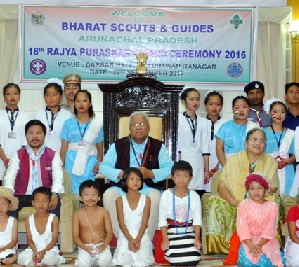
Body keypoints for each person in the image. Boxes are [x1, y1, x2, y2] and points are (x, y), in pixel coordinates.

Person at [204, 128, 279, 254]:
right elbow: (221, 186)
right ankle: (221, 247)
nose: (257, 143)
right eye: (254, 139)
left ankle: (262, 244)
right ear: (246, 142)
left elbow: (273, 187)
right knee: (213, 203)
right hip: (235, 203)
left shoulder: (271, 162)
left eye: (261, 141)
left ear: (265, 145)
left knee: (276, 202)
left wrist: (256, 200)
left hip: (260, 205)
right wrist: (235, 202)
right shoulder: (234, 159)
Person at [100, 111, 173, 240]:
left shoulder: (158, 146)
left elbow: (169, 168)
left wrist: (152, 173)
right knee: (108, 196)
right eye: (135, 124)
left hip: (147, 188)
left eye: (142, 124)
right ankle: (123, 239)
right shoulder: (118, 145)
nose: (138, 127)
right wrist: (120, 174)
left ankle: (146, 241)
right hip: (122, 188)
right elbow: (104, 166)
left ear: (148, 128)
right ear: (129, 128)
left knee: (156, 197)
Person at [4, 120, 64, 218]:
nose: (35, 137)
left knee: (55, 205)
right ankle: (11, 233)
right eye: (31, 133)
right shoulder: (18, 154)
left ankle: (51, 233)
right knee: (9, 208)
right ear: (26, 135)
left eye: (38, 133)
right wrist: (9, 196)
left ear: (44, 135)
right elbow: (10, 176)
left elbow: (58, 177)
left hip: (45, 195)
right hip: (22, 195)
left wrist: (55, 193)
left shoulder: (53, 155)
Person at [159, 160, 201, 266]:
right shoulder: (166, 195)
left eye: (185, 176)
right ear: (172, 177)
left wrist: (197, 239)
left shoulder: (194, 196)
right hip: (171, 232)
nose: (181, 179)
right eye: (178, 175)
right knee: (174, 257)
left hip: (189, 231)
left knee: (194, 256)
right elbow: (162, 220)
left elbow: (197, 221)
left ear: (190, 178)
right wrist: (165, 240)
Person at [60, 90, 103, 194]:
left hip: (90, 161)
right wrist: (61, 165)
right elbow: (64, 146)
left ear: (90, 103)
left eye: (84, 100)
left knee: (88, 191)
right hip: (71, 161)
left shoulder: (97, 124)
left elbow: (100, 146)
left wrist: (99, 163)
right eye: (78, 101)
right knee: (72, 192)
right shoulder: (68, 123)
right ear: (74, 103)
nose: (81, 103)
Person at [237, 173, 284, 267]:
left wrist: (259, 245)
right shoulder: (243, 205)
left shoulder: (272, 206)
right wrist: (251, 246)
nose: (256, 191)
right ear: (247, 191)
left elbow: (270, 229)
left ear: (266, 190)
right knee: (248, 263)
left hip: (266, 241)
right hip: (248, 241)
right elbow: (243, 228)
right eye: (252, 188)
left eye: (259, 188)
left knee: (265, 263)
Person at [112, 167, 154, 266]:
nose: (135, 181)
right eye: (132, 179)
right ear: (125, 181)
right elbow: (121, 223)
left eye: (138, 179)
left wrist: (138, 240)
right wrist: (130, 240)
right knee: (124, 261)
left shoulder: (146, 199)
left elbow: (144, 222)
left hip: (141, 236)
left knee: (142, 262)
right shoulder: (119, 200)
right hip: (126, 235)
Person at [17, 187, 65, 265]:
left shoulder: (54, 218)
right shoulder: (28, 220)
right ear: (32, 203)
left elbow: (54, 240)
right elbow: (30, 240)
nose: (41, 204)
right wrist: (35, 252)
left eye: (45, 201)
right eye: (37, 201)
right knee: (21, 258)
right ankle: (38, 260)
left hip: (49, 250)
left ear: (50, 203)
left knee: (50, 259)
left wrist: (43, 252)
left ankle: (54, 259)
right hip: (34, 250)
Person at [73, 180, 112, 267]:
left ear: (99, 197)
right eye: (86, 194)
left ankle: (100, 259)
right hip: (85, 247)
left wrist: (104, 246)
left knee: (105, 262)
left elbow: (109, 233)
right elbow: (75, 237)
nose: (90, 197)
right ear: (80, 197)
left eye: (94, 194)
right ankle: (89, 259)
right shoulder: (77, 215)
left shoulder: (104, 212)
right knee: (83, 263)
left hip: (102, 246)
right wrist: (85, 247)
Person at [178, 87, 209, 196]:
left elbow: (205, 147)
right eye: (191, 99)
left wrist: (206, 170)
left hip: (198, 163)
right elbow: (177, 147)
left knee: (196, 195)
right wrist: (178, 166)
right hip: (183, 161)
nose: (195, 102)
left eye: (197, 99)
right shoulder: (178, 120)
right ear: (183, 101)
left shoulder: (203, 122)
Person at [263, 98, 296, 196]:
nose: (278, 115)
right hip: (267, 169)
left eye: (282, 112)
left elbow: (295, 155)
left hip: (287, 170)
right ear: (269, 113)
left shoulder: (291, 133)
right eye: (275, 112)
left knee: (287, 201)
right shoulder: (262, 132)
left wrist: (286, 161)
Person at [216, 96, 259, 167]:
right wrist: (225, 167)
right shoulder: (225, 126)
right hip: (228, 165)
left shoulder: (255, 127)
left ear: (249, 109)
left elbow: (259, 148)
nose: (241, 110)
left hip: (249, 166)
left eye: (244, 107)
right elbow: (219, 148)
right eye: (237, 107)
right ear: (233, 109)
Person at [0, 83, 30, 183]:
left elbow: (28, 139)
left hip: (20, 159)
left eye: (15, 93)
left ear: (19, 96)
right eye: (8, 94)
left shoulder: (26, 116)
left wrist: (17, 158)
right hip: (1, 160)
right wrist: (5, 159)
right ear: (4, 97)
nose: (12, 96)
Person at [35, 78, 72, 152]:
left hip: (61, 158)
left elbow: (71, 141)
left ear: (61, 97)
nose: (51, 98)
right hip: (40, 157)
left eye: (54, 94)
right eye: (47, 95)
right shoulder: (37, 115)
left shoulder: (68, 116)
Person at [203, 90, 227, 192]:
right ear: (205, 105)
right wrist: (205, 168)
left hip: (220, 165)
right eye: (211, 104)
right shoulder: (200, 122)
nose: (214, 107)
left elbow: (226, 147)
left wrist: (218, 165)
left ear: (221, 106)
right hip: (202, 167)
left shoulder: (226, 124)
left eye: (217, 104)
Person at [0, 187, 18, 265]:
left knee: (9, 254)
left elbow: (14, 241)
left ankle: (8, 258)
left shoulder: (13, 221)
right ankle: (2, 260)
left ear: (9, 205)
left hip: (7, 249)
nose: (0, 207)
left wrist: (2, 249)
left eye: (4, 203)